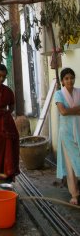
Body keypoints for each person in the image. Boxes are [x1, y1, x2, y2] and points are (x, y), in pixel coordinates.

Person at [54, 67, 80, 205]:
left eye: (71, 77)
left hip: (79, 130)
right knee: (70, 164)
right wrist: (77, 110)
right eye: (66, 78)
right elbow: (62, 112)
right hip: (66, 133)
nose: (70, 80)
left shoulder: (79, 92)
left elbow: (65, 110)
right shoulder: (59, 94)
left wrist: (70, 110)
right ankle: (74, 194)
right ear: (63, 81)